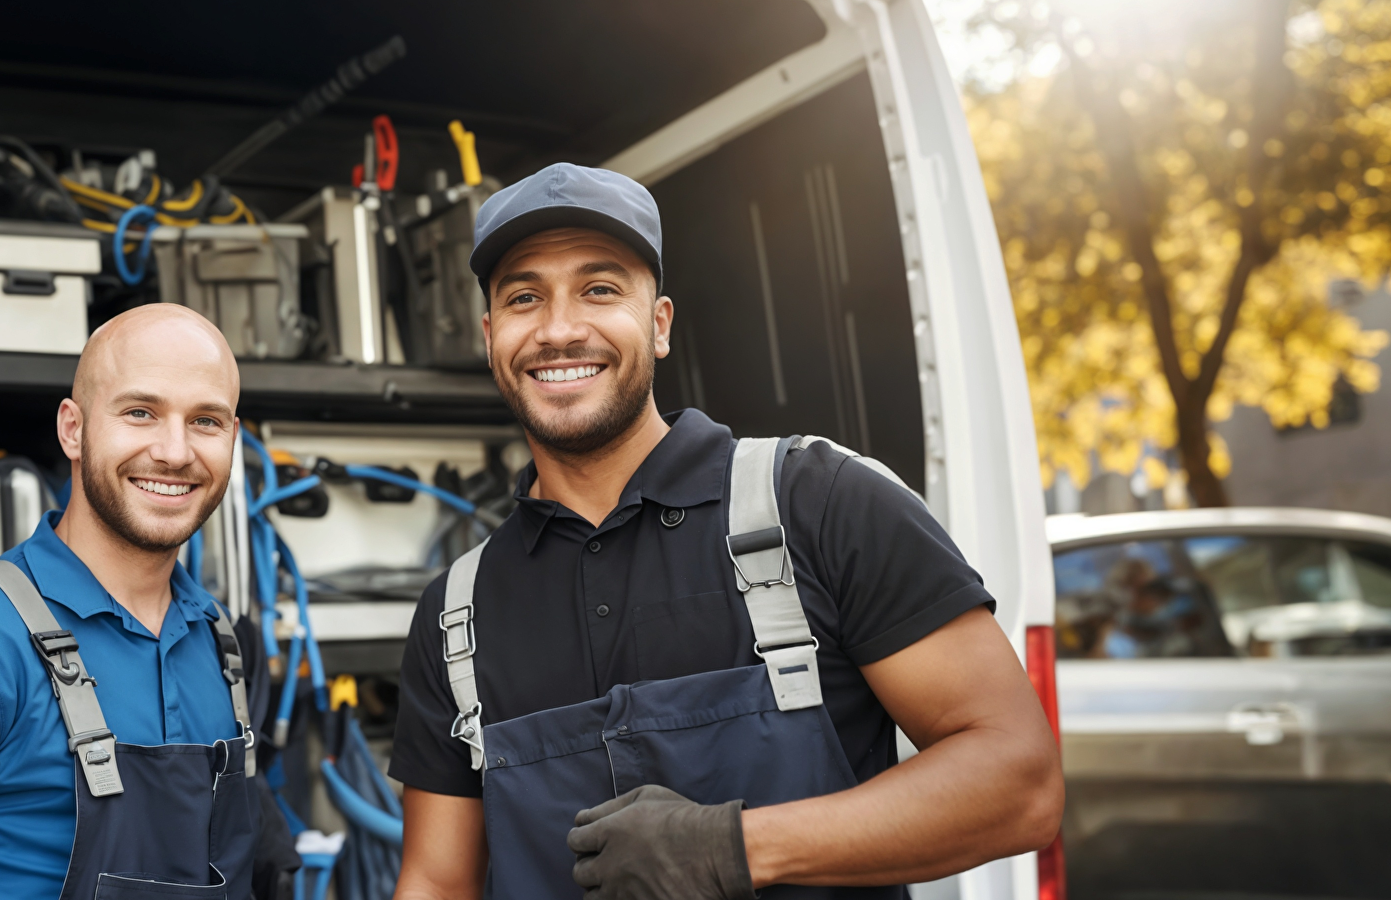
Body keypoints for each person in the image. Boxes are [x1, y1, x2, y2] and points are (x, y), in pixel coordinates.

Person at [388, 163, 1064, 899]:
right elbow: (435, 881)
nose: (559, 328)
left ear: (660, 323)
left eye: (600, 289)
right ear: (491, 338)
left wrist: (734, 847)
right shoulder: (458, 613)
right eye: (524, 298)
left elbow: (1018, 782)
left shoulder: (821, 503)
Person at [0, 304, 288, 900]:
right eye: (140, 412)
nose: (175, 452)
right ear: (73, 428)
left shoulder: (219, 643)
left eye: (206, 421)